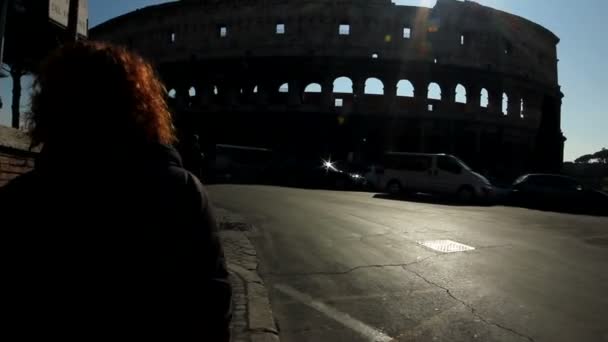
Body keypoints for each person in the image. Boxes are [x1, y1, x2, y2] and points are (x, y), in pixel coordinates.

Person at [0, 41, 232, 341]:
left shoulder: (19, 199)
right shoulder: (181, 191)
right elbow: (211, 304)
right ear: (140, 104)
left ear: (49, 107)